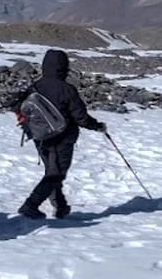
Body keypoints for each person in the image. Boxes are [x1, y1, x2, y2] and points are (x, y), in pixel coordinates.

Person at [9, 49, 106, 219]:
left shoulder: (35, 86)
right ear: (64, 67)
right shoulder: (66, 89)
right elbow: (81, 118)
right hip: (62, 138)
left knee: (52, 172)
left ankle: (60, 206)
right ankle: (30, 205)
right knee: (56, 173)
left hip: (40, 137)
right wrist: (97, 126)